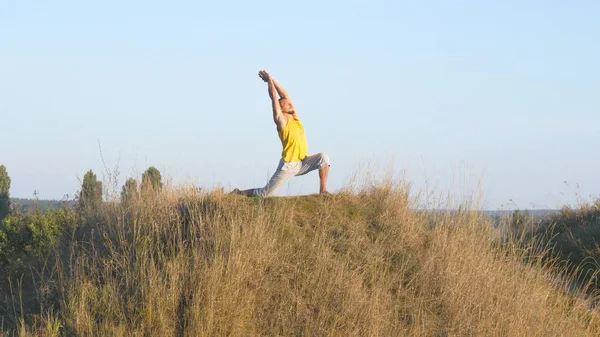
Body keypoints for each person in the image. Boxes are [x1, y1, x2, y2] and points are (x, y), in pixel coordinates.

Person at [231, 70, 330, 197]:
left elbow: (285, 95)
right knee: (263, 194)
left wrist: (271, 78)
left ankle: (323, 191)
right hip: (288, 166)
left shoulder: (295, 118)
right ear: (281, 108)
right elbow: (273, 97)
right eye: (286, 104)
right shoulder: (281, 120)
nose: (290, 104)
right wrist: (269, 82)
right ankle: (238, 193)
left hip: (303, 162)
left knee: (323, 157)